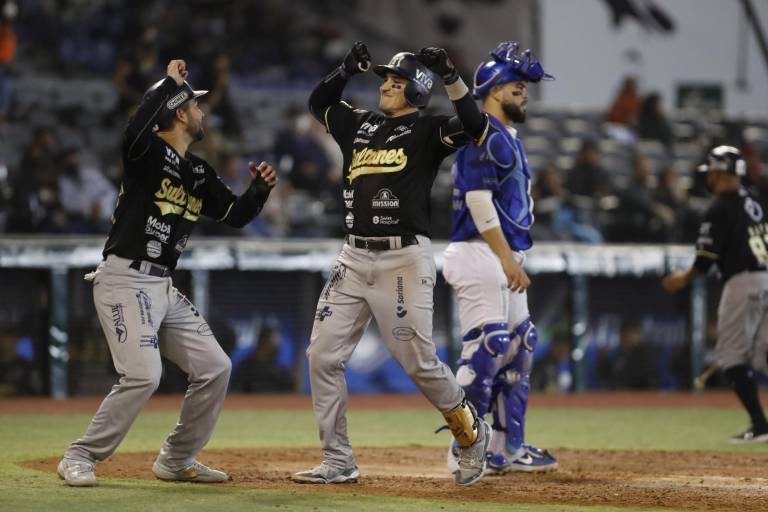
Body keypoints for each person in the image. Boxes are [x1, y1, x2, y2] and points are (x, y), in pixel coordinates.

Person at [57, 59, 277, 486]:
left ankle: (176, 459)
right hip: (125, 278)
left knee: (216, 367)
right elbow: (132, 133)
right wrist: (169, 86)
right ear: (177, 112)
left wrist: (259, 191)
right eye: (195, 105)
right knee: (144, 375)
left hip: (162, 284)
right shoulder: (147, 153)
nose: (202, 111)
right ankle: (80, 455)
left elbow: (234, 214)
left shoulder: (197, 171)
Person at [291, 41, 492, 487]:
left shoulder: (428, 130)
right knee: (321, 356)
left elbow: (475, 126)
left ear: (417, 90)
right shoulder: (358, 124)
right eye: (384, 78)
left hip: (403, 258)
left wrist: (450, 75)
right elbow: (318, 103)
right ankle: (338, 459)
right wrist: (345, 70)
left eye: (397, 81)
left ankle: (471, 432)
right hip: (352, 256)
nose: (385, 85)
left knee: (416, 359)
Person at [442, 41, 558, 474]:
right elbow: (478, 201)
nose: (524, 95)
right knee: (486, 349)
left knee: (520, 346)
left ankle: (508, 448)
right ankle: (464, 449)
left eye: (525, 88)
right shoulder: (484, 134)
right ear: (494, 90)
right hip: (479, 251)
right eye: (517, 88)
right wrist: (507, 259)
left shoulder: (505, 136)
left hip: (500, 253)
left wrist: (509, 258)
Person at [662, 145, 768, 444]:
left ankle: (760, 425)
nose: (709, 178)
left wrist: (681, 279)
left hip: (743, 283)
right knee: (763, 355)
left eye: (711, 172)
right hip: (765, 278)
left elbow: (704, 262)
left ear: (719, 174)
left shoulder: (720, 207)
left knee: (732, 356)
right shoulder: (755, 201)